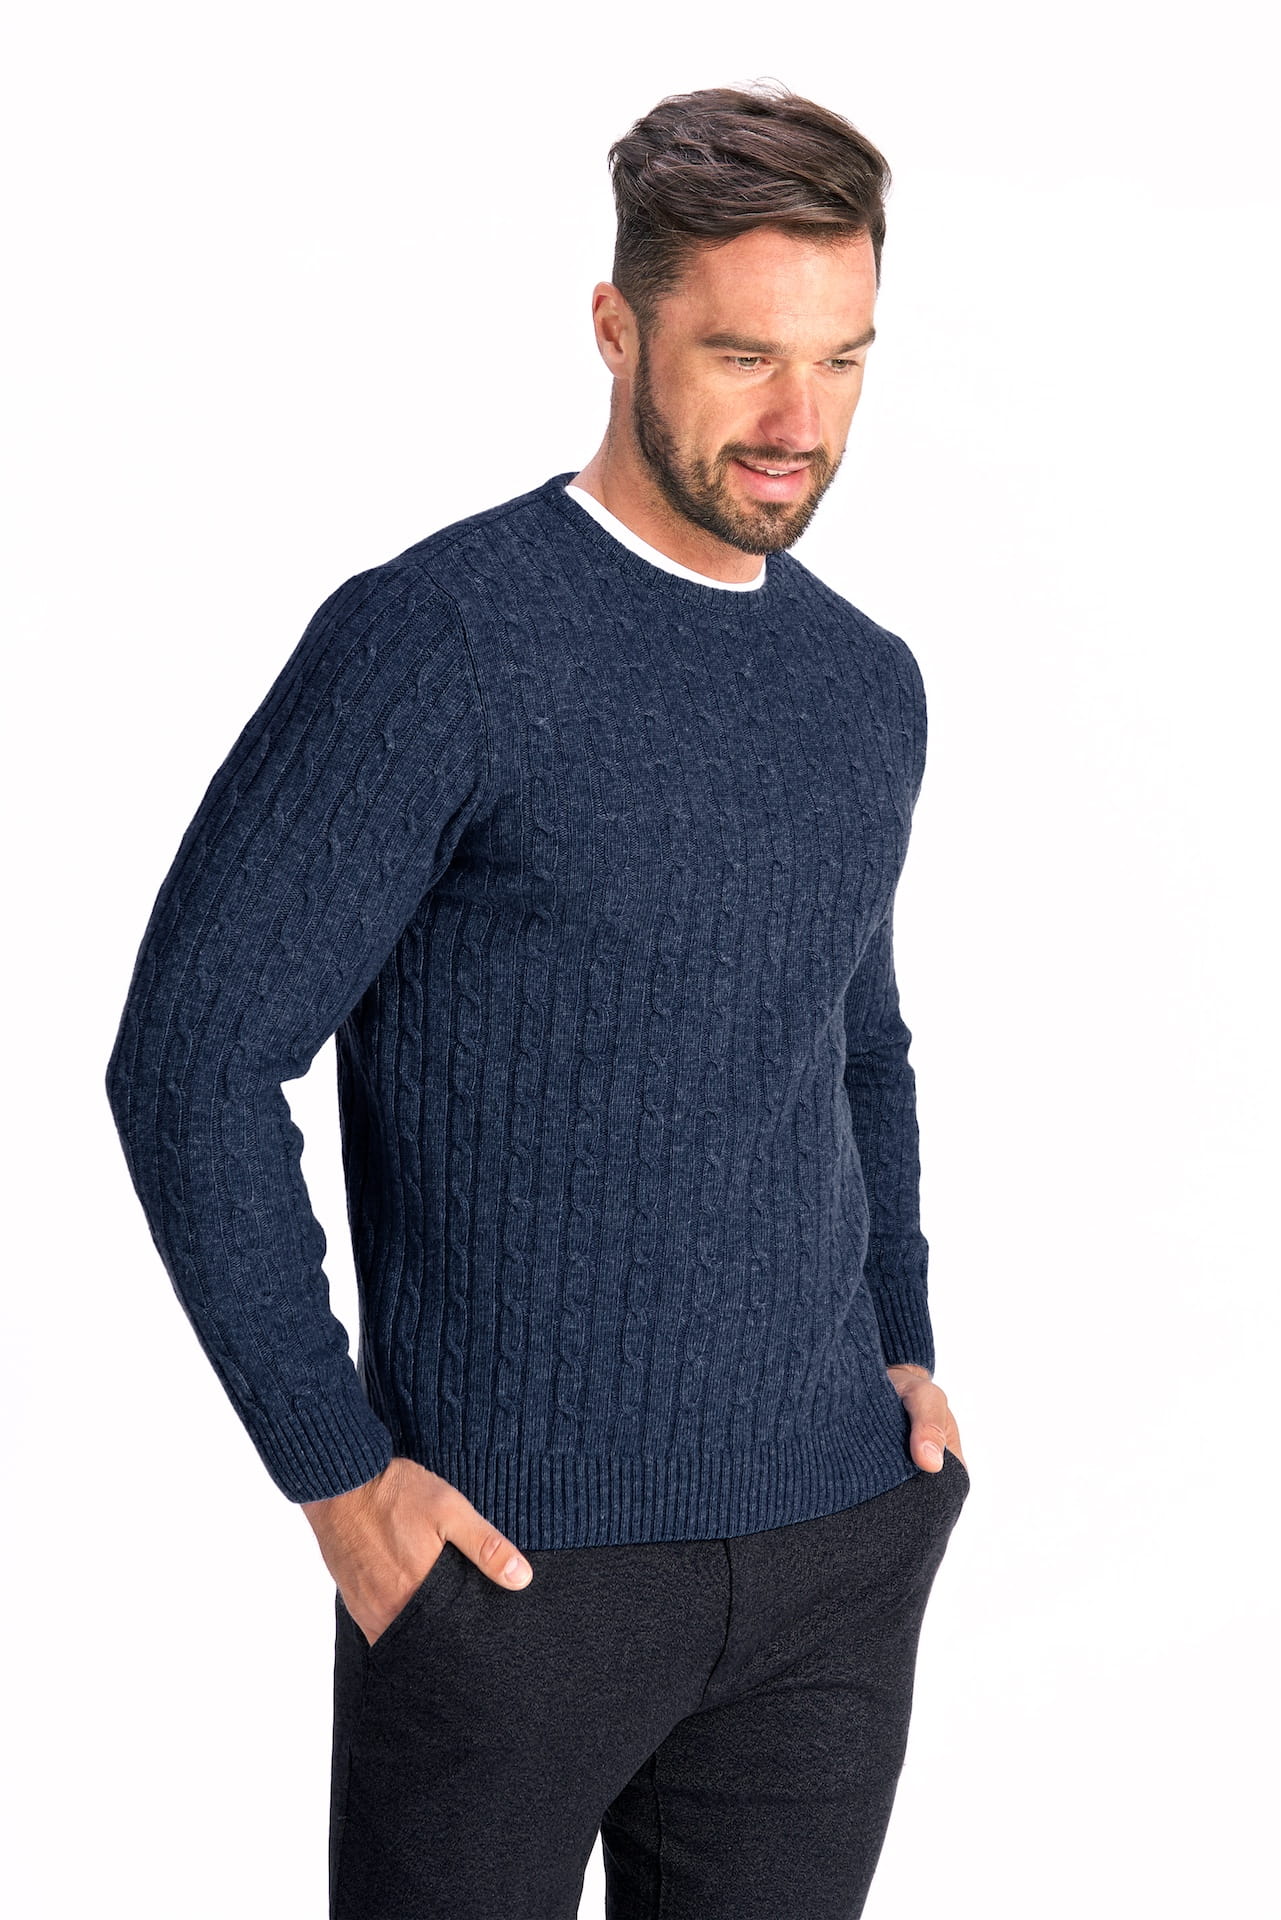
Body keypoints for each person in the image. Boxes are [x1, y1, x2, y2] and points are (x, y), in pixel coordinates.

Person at [105, 78, 971, 1920]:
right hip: (510, 1576)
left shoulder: (862, 682)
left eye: (840, 359)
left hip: (832, 1548)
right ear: (614, 326)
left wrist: (902, 1353)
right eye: (742, 355)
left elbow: (856, 1042)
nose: (797, 421)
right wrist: (340, 1482)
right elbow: (190, 1059)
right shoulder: (438, 639)